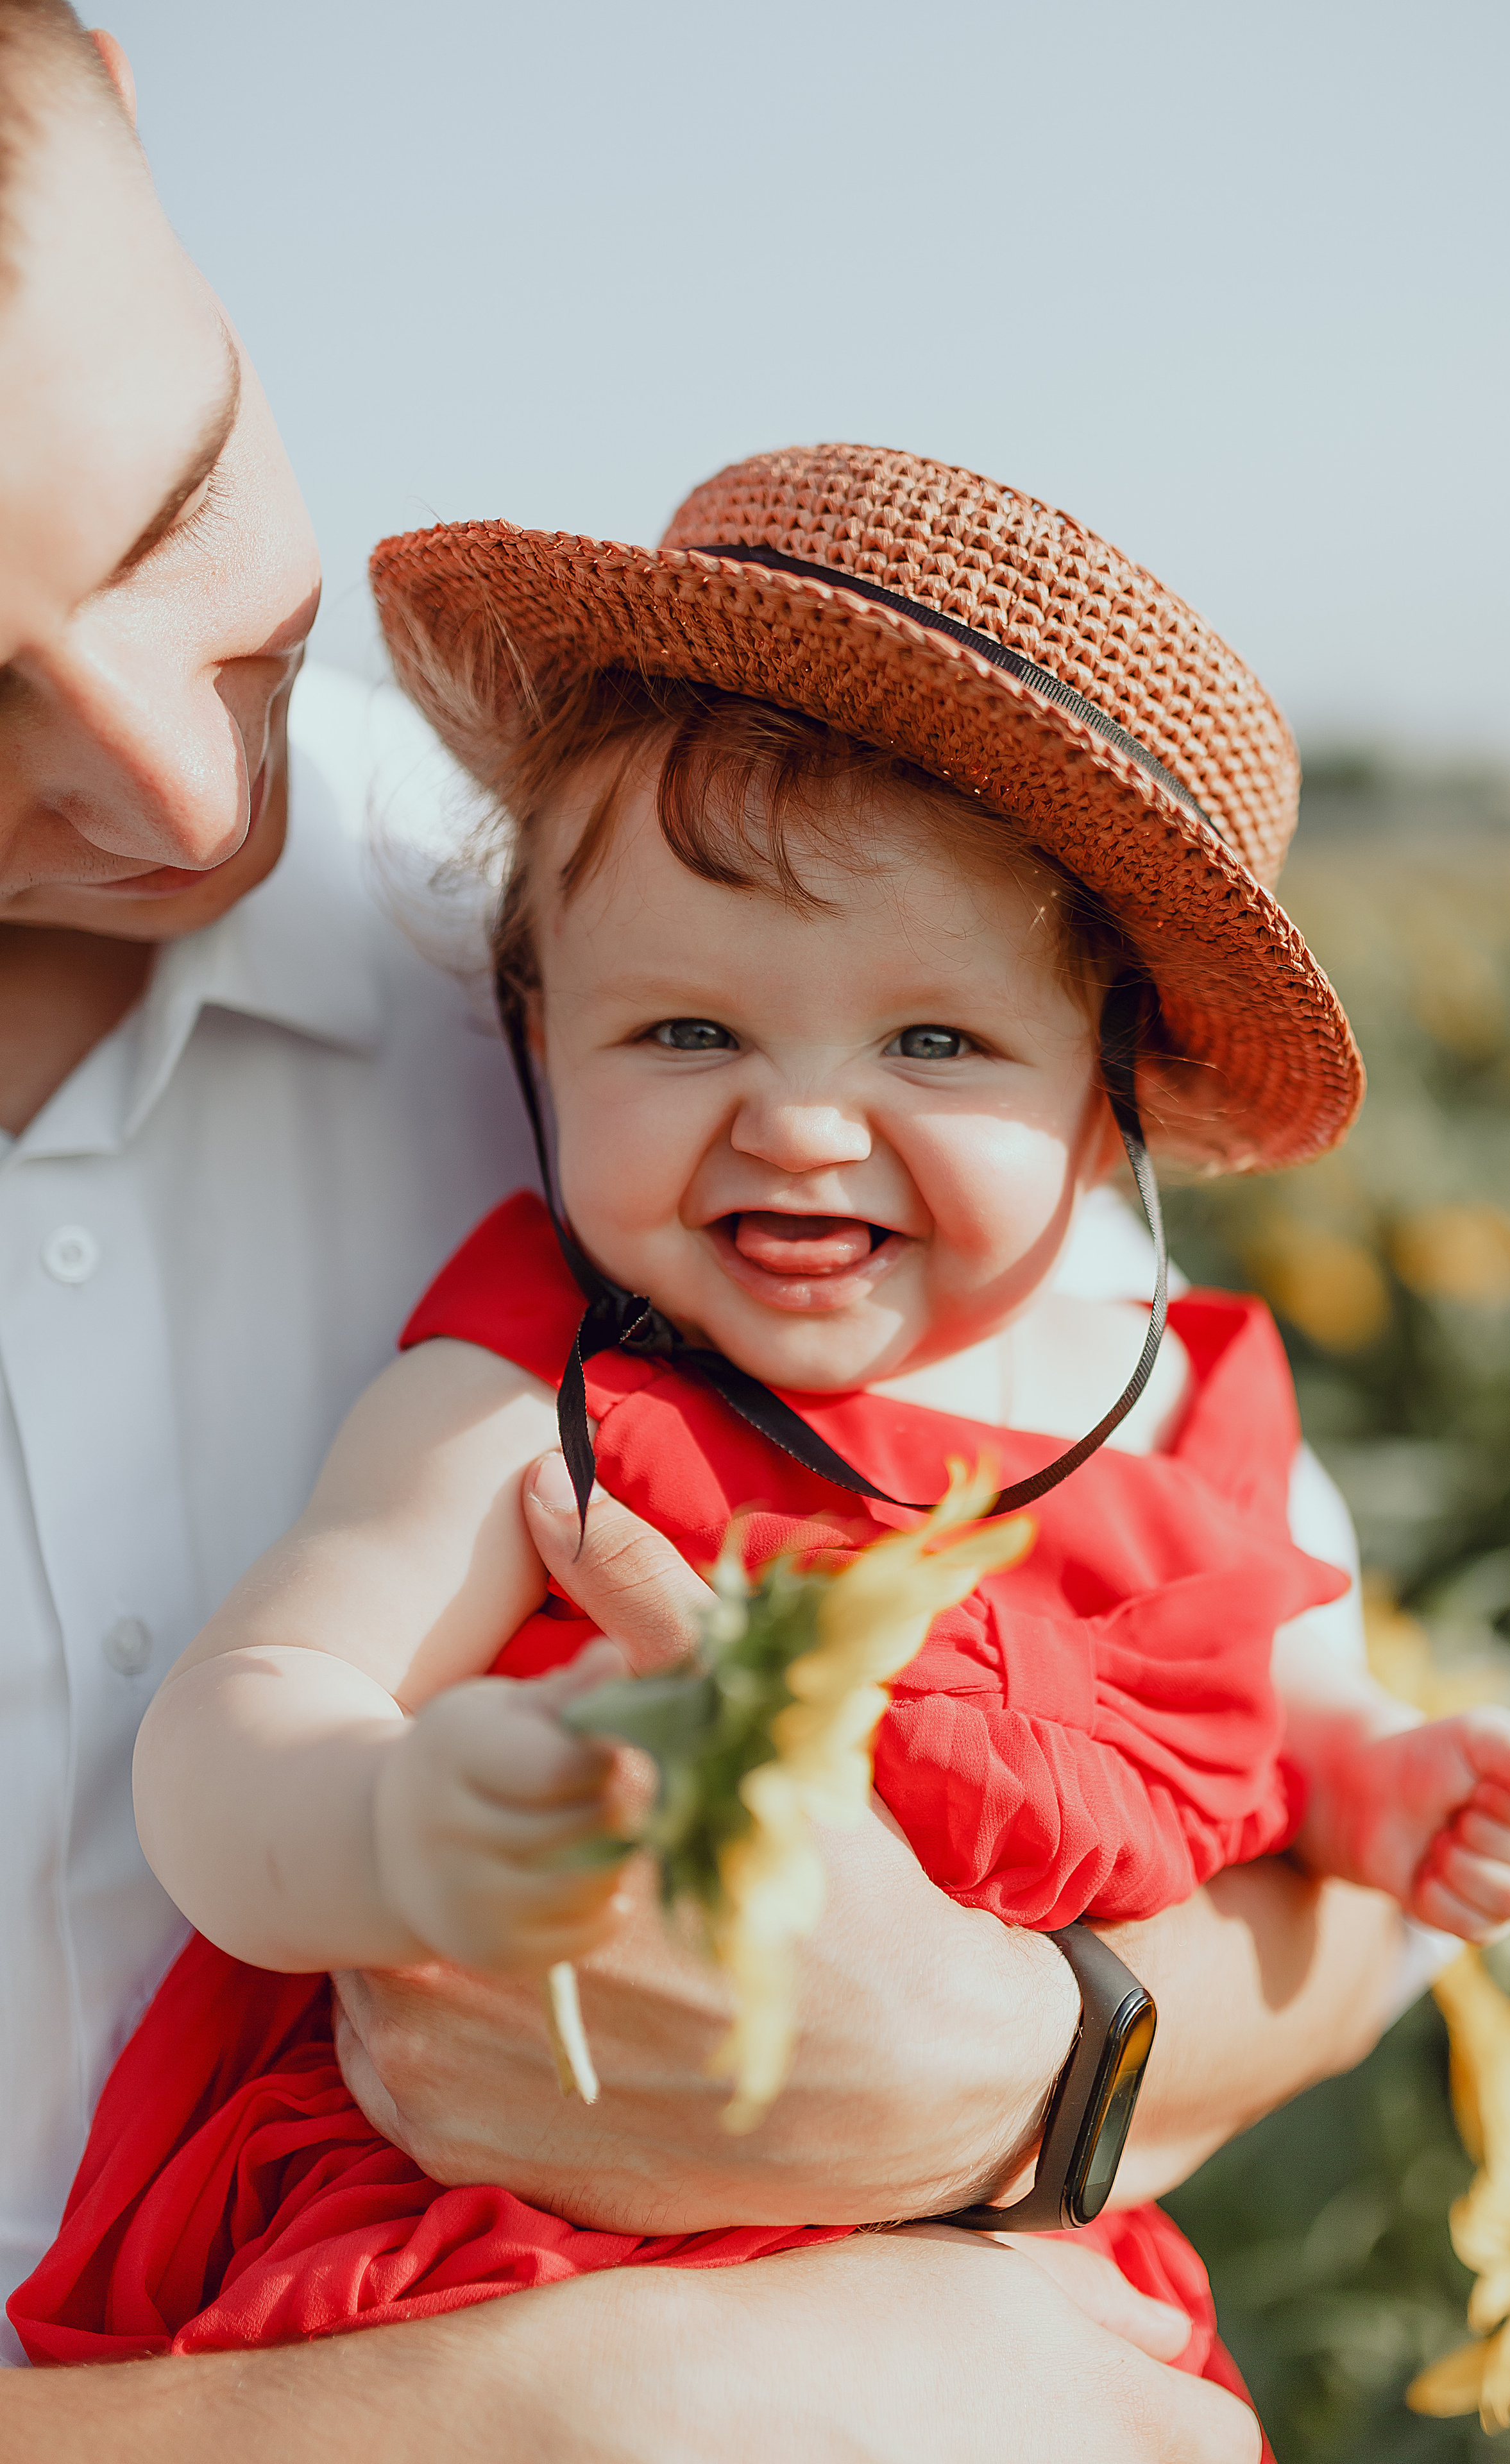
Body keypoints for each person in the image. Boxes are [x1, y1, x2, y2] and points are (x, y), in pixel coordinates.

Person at [0, 6, 1417, 2456]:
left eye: (174, 509)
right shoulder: (558, 1389)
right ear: (536, 1024)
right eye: (681, 1043)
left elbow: (1318, 1845)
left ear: (1111, 1116)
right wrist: (401, 1842)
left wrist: (1080, 2021)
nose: (154, 769)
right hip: (409, 2280)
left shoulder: (1072, 1340)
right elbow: (253, 1754)